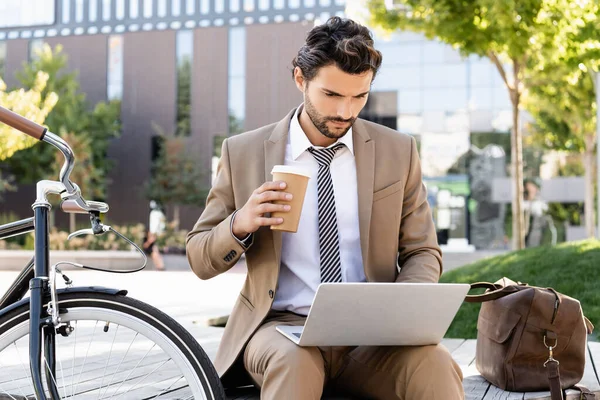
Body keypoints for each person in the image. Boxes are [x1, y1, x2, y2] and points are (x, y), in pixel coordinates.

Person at [186, 17, 463, 399]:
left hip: (373, 335)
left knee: (437, 365)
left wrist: (401, 312)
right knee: (293, 363)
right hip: (280, 329)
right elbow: (199, 257)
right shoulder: (243, 152)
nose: (346, 112)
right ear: (300, 79)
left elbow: (422, 251)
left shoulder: (398, 152)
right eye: (332, 95)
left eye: (359, 97)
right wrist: (240, 223)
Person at [143, 200, 166, 271]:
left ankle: (161, 266)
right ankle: (159, 267)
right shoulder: (145, 238)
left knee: (156, 253)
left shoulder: (153, 236)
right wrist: (150, 241)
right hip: (147, 250)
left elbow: (154, 246)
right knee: (155, 254)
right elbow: (145, 246)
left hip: (153, 250)